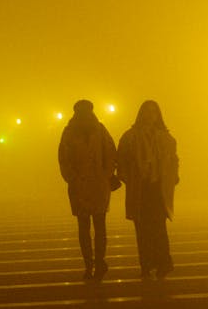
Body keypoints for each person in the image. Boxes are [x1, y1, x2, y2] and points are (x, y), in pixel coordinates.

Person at [117, 100, 179, 279]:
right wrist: (127, 177)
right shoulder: (130, 137)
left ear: (158, 115)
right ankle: (146, 265)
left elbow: (174, 160)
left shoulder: (166, 138)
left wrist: (173, 176)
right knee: (142, 230)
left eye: (154, 112)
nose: (150, 116)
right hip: (140, 188)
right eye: (147, 112)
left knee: (159, 228)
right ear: (141, 114)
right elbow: (121, 160)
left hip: (158, 189)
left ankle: (163, 264)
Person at [58, 100, 117, 280]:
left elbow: (110, 152)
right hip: (79, 186)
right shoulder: (69, 133)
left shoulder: (100, 131)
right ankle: (89, 264)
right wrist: (72, 178)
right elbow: (63, 158)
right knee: (84, 227)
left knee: (99, 226)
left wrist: (105, 175)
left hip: (98, 185)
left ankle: (99, 262)